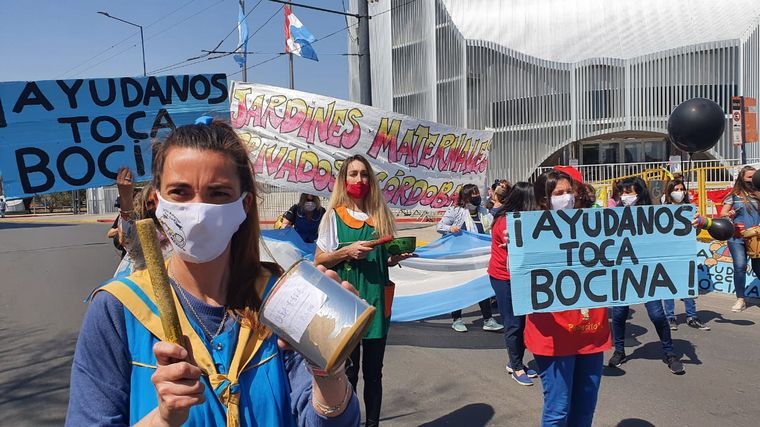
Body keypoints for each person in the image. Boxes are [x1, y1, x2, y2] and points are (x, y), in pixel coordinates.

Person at [66, 119, 360, 426]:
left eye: (218, 193)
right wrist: (162, 419)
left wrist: (329, 371)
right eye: (180, 192)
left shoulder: (282, 299)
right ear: (156, 202)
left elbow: (325, 419)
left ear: (245, 204)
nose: (198, 212)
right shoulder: (118, 309)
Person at [314, 154, 412, 427]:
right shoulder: (333, 217)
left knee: (374, 373)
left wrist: (394, 257)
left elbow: (383, 258)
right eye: (354, 174)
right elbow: (319, 259)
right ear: (344, 180)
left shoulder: (380, 215)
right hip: (345, 305)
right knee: (348, 373)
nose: (360, 179)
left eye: (364, 174)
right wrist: (346, 251)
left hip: (377, 304)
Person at [524, 169, 611, 427]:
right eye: (558, 193)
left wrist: (683, 225)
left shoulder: (595, 226)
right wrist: (514, 247)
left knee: (585, 408)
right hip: (553, 335)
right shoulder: (529, 233)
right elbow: (519, 278)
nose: (567, 198)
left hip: (591, 332)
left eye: (569, 192)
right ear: (544, 200)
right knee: (558, 409)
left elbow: (640, 245)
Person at [607, 177, 685, 374]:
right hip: (623, 272)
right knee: (619, 314)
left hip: (647, 273)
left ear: (639, 193)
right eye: (622, 192)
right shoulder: (614, 214)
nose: (624, 196)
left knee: (657, 314)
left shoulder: (653, 215)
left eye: (628, 192)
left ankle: (669, 353)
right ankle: (619, 351)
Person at [489, 183, 539, 386]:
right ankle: (517, 367)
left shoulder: (520, 219)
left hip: (519, 277)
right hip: (504, 278)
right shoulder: (506, 221)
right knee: (513, 323)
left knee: (521, 323)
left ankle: (515, 361)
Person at [437, 184, 503, 333]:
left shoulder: (484, 212)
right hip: (458, 258)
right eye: (473, 195)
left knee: (482, 287)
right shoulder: (455, 211)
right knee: (458, 288)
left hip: (478, 258)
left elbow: (493, 229)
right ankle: (457, 319)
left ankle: (488, 319)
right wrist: (450, 228)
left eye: (477, 194)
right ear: (466, 197)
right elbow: (440, 226)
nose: (477, 197)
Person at [661, 179, 710, 331]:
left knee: (688, 285)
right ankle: (670, 317)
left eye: (682, 189)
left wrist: (697, 223)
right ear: (669, 192)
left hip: (685, 252)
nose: (679, 192)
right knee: (668, 285)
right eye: (676, 189)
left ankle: (692, 316)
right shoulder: (662, 210)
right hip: (668, 253)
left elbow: (696, 231)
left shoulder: (690, 209)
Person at [720, 165, 760, 312]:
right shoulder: (734, 195)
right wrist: (729, 214)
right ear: (742, 178)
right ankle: (740, 299)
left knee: (758, 268)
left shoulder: (759, 193)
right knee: (740, 266)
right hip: (737, 237)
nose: (752, 179)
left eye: (754, 177)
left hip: (756, 238)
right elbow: (723, 213)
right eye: (749, 177)